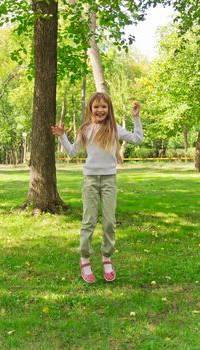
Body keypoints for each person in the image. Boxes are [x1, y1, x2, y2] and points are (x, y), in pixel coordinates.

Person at [51, 92, 143, 283]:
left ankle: (106, 258)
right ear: (90, 109)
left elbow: (138, 139)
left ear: (109, 109)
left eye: (104, 107)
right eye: (96, 107)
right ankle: (84, 259)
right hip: (90, 179)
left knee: (109, 221)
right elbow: (72, 152)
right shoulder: (85, 129)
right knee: (89, 221)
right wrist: (62, 137)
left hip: (109, 179)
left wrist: (136, 118)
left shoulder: (115, 129)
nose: (100, 110)